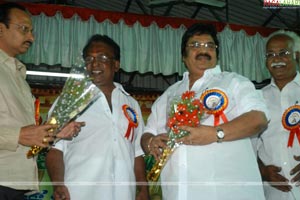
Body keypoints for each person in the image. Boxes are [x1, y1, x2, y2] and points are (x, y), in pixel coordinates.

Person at [141, 23, 269, 200]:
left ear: (217, 54)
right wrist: (150, 143)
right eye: (195, 45)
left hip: (228, 193)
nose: (204, 50)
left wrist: (214, 134)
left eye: (210, 46)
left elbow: (258, 119)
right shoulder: (169, 93)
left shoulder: (234, 82)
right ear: (183, 56)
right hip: (177, 193)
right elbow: (147, 133)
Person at [46, 34, 149, 200]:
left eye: (102, 57)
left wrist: (143, 189)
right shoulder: (69, 101)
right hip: (79, 194)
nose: (94, 64)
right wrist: (58, 184)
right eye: (89, 59)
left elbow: (136, 153)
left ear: (116, 64)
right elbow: (54, 149)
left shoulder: (131, 103)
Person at [0, 2, 84, 200]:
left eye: (31, 31)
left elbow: (27, 135)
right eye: (24, 29)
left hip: (16, 185)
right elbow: (20, 134)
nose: (31, 37)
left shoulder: (18, 75)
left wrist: (53, 134)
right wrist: (17, 135)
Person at [257, 30, 300, 200]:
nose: (276, 59)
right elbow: (248, 143)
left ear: (297, 56)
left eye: (283, 53)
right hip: (273, 193)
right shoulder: (256, 98)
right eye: (270, 55)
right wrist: (262, 171)